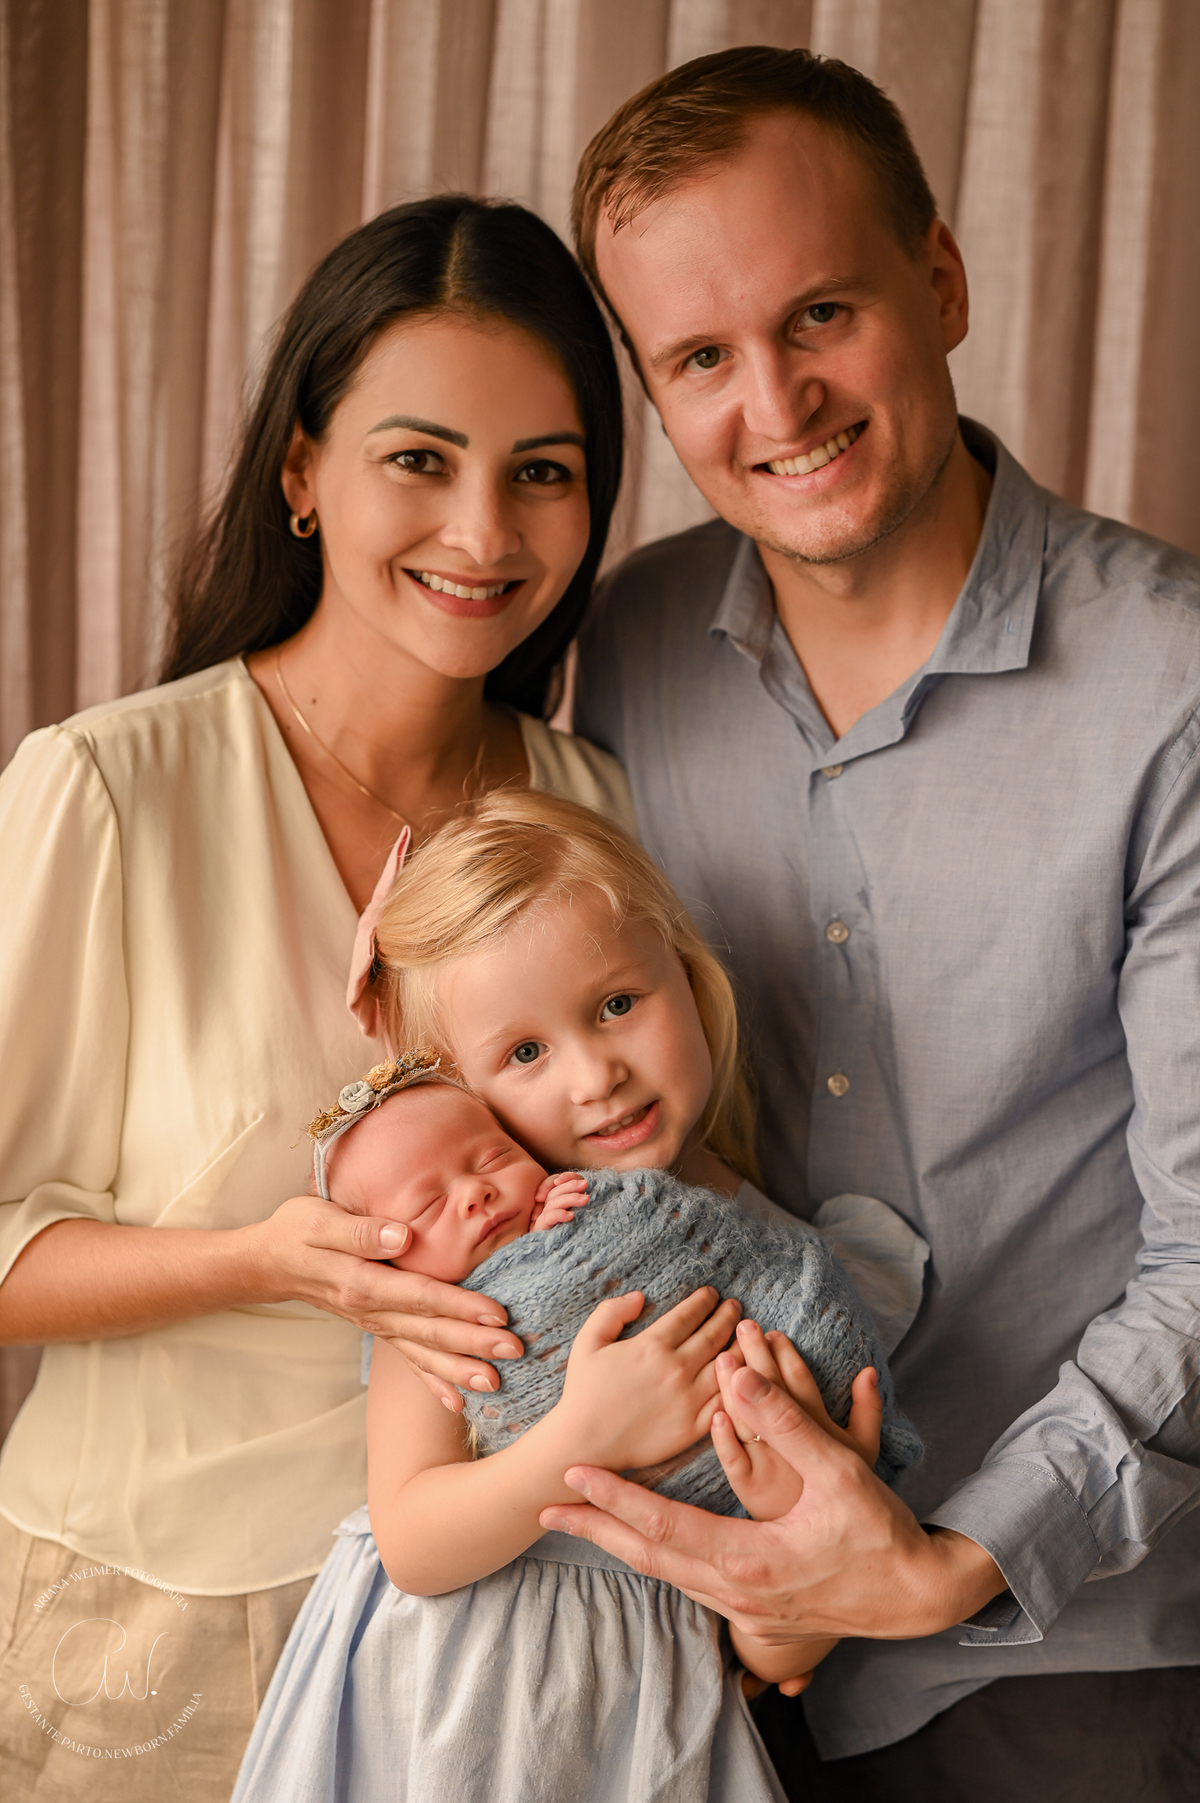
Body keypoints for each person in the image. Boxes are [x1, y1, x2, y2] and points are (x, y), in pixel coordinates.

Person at [547, 44, 1200, 1803]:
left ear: (944, 281)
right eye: (700, 358)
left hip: (1067, 1652)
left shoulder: (1175, 683)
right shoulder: (626, 648)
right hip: (693, 1643)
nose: (776, 401)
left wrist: (948, 1557)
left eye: (819, 312)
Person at [0, 194, 637, 1800]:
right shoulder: (107, 789)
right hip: (160, 1617)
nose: (483, 531)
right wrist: (267, 1261)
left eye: (542, 471)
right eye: (420, 458)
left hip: (505, 1638)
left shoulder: (592, 806)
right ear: (301, 471)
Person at [233, 795, 926, 1803]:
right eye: (524, 1054)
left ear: (687, 974)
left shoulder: (778, 1271)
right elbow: (415, 1543)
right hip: (452, 1699)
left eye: (616, 1004)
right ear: (460, 1092)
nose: (597, 1074)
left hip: (649, 1718)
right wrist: (580, 1436)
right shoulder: (461, 1274)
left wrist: (799, 1517)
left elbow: (774, 1655)